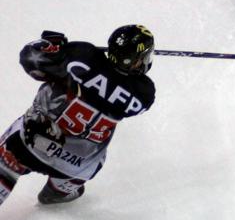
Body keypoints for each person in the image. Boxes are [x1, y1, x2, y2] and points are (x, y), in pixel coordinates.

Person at [0, 26, 156, 207]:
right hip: (78, 166)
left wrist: (48, 46)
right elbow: (112, 88)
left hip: (29, 144)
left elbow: (29, 60)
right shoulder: (144, 94)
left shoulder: (82, 57)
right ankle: (58, 191)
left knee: (9, 155)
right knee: (96, 158)